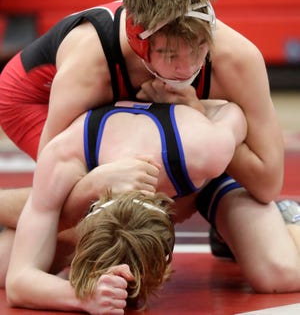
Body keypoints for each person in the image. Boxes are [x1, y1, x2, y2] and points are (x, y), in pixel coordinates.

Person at [0, 0, 288, 292]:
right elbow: (53, 185)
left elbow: (267, 183)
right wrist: (96, 184)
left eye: (197, 49)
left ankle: (210, 207)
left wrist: (199, 113)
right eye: (169, 54)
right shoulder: (90, 66)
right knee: (54, 233)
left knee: (155, 204)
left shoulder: (235, 57)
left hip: (174, 135)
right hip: (32, 100)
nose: (187, 66)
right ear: (139, 43)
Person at [5, 99, 247, 313]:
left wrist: (192, 101)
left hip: (159, 112)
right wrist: (84, 297)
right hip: (35, 93)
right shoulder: (65, 152)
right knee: (18, 246)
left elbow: (236, 109)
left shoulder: (205, 149)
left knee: (276, 272)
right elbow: (18, 282)